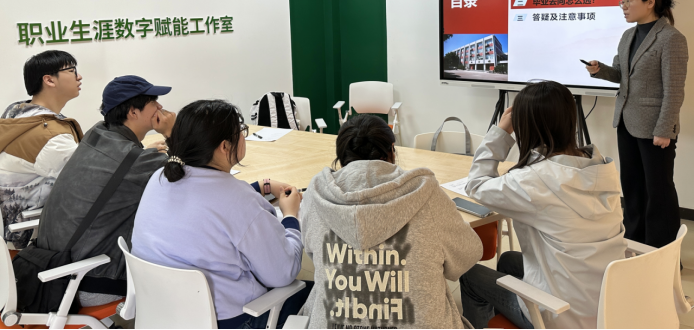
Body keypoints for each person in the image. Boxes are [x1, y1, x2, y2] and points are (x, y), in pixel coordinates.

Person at [460, 81, 626, 329]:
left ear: (525, 126)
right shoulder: (598, 164)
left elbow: (475, 185)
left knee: (470, 276)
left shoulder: (533, 181)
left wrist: (501, 132)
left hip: (563, 316)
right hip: (605, 299)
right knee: (508, 260)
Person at [132, 99, 309, 329]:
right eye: (241, 130)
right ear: (225, 146)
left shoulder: (159, 178)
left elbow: (208, 200)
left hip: (161, 315)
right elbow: (283, 272)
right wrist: (291, 216)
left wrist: (260, 186)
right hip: (230, 321)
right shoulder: (239, 201)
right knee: (316, 292)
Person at [299, 114, 483, 329]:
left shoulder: (316, 194)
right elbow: (468, 254)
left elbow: (312, 253)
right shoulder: (426, 194)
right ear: (392, 152)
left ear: (341, 157)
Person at [37, 75, 175, 307]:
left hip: (55, 266)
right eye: (154, 101)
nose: (160, 107)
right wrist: (172, 132)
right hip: (89, 281)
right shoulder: (132, 160)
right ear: (133, 112)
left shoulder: (97, 133)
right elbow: (185, 173)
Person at [586, 0, 688, 248]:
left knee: (659, 190)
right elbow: (622, 75)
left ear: (650, 2)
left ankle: (661, 250)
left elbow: (674, 90)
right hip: (626, 122)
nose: (623, 5)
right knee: (631, 186)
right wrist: (600, 70)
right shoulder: (627, 36)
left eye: (628, 0)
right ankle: (634, 242)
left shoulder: (671, 38)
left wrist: (664, 130)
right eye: (622, 1)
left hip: (656, 128)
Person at [0, 50, 83, 250]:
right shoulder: (51, 137)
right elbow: (88, 180)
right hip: (30, 237)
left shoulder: (18, 112)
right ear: (49, 80)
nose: (79, 76)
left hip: (10, 225)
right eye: (72, 70)